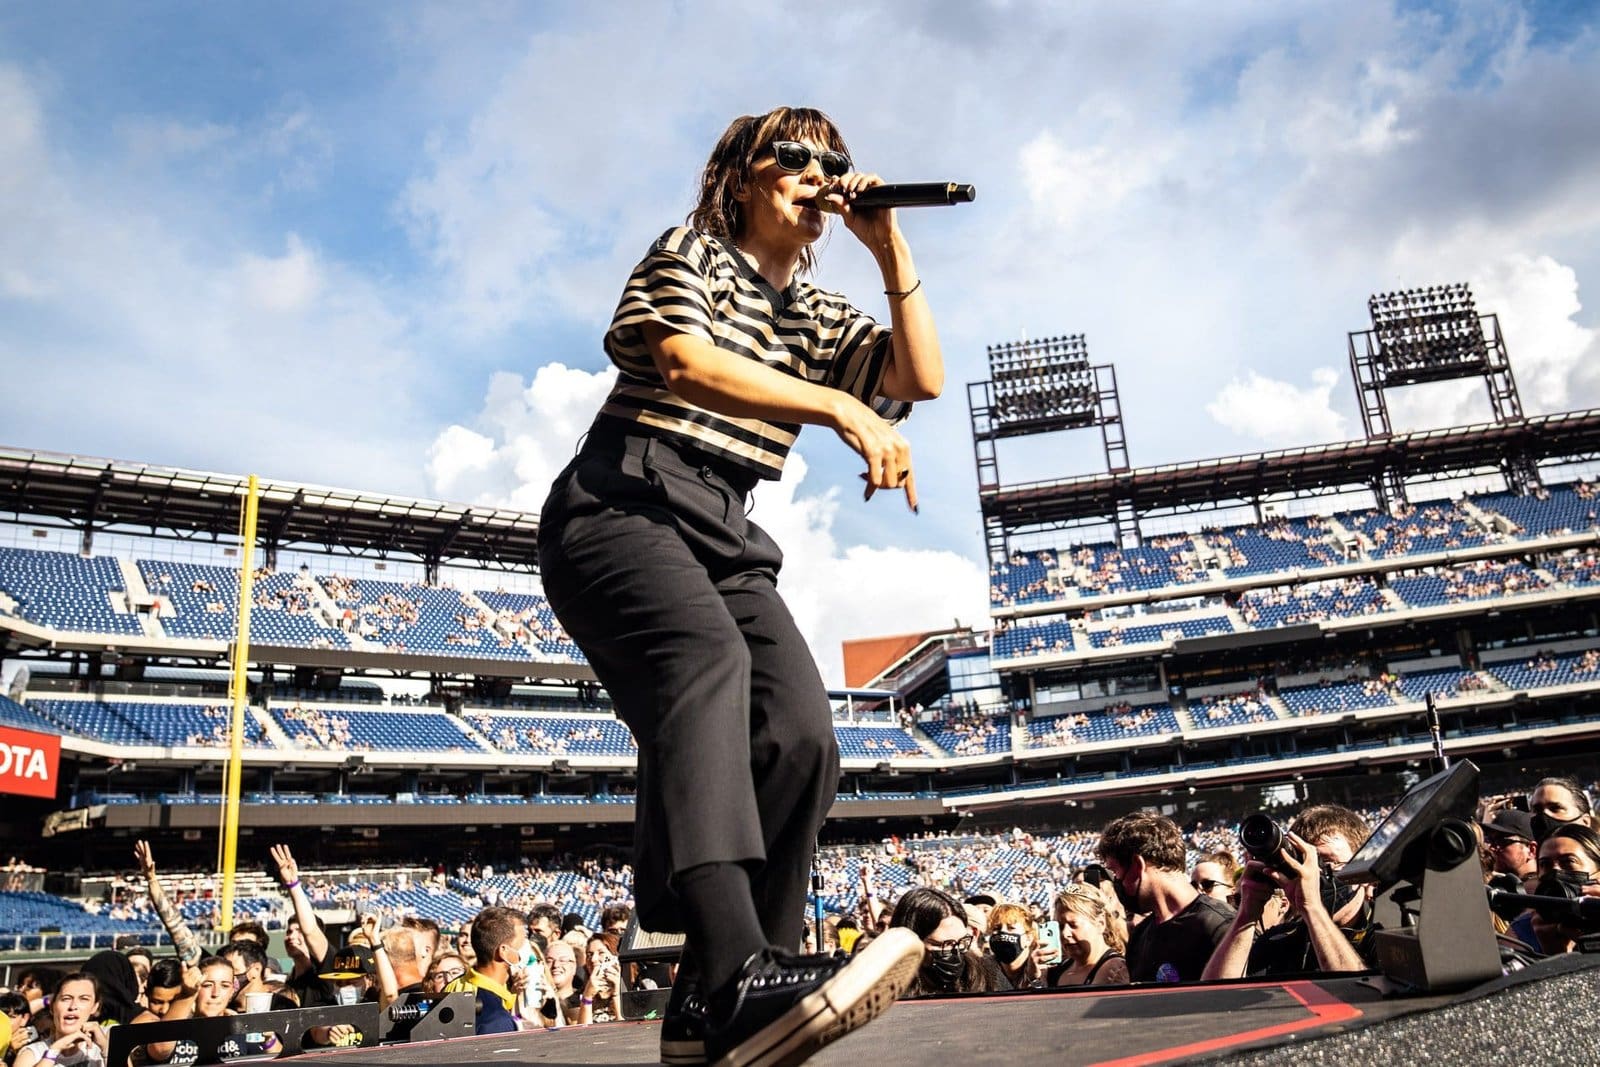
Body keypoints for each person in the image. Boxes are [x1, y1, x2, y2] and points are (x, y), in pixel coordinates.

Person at [537, 105, 934, 1066]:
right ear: (742, 176)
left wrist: (888, 250)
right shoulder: (691, 253)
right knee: (705, 662)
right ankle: (739, 971)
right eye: (790, 155)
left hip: (724, 518)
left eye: (831, 160)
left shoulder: (818, 312)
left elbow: (917, 377)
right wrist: (839, 404)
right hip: (623, 497)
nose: (816, 170)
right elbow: (682, 360)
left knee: (800, 731)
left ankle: (708, 1005)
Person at [1203, 805, 1374, 979]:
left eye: (1328, 864)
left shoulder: (1390, 927)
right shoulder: (1281, 941)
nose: (1313, 875)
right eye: (1304, 864)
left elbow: (1356, 994)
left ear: (1364, 868)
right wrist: (1246, 916)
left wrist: (1312, 908)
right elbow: (1213, 997)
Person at [1097, 813, 1234, 983]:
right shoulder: (1140, 935)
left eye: (1116, 872)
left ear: (1138, 865)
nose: (1116, 882)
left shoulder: (1222, 926)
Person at [890, 888, 997, 997]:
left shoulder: (986, 974)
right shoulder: (886, 991)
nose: (956, 952)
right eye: (941, 944)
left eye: (961, 942)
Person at [14, 974, 108, 1067]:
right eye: (66, 999)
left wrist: (106, 1049)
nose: (73, 1006)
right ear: (52, 1007)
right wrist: (54, 1051)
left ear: (95, 1007)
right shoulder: (32, 1054)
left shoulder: (104, 1045)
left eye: (84, 999)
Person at [1050, 885, 1130, 987]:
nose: (1065, 934)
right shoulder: (1058, 969)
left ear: (1100, 924)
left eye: (1073, 925)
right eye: (1060, 927)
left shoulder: (1114, 970)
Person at [982, 904, 1044, 991]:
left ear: (1029, 938)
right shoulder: (982, 971)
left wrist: (1035, 979)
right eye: (997, 928)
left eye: (1011, 928)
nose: (1003, 932)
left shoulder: (1043, 969)